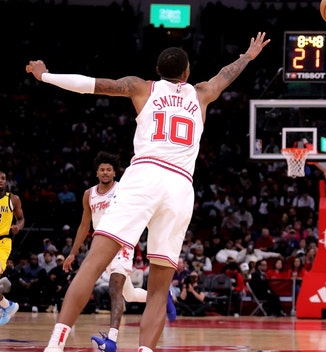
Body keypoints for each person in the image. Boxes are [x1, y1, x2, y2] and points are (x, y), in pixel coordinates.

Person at [27, 31, 270, 352]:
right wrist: (248, 56)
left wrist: (44, 75)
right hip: (180, 186)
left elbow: (89, 84)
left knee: (93, 263)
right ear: (186, 72)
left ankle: (56, 345)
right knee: (159, 287)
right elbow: (226, 74)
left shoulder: (141, 87)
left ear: (158, 70)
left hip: (145, 175)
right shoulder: (202, 93)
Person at [62, 151, 176, 352]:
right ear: (97, 172)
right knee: (129, 294)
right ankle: (160, 295)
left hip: (122, 241)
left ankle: (112, 340)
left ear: (114, 173)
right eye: (102, 170)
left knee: (114, 288)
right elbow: (83, 225)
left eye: (109, 169)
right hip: (102, 245)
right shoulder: (89, 194)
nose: (105, 172)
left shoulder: (123, 189)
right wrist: (72, 252)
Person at [0, 170, 25, 325]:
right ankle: (7, 305)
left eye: (2, 178)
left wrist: (18, 226)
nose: (0, 181)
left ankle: (7, 305)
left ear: (6, 181)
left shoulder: (13, 199)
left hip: (3, 243)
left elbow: (21, 218)